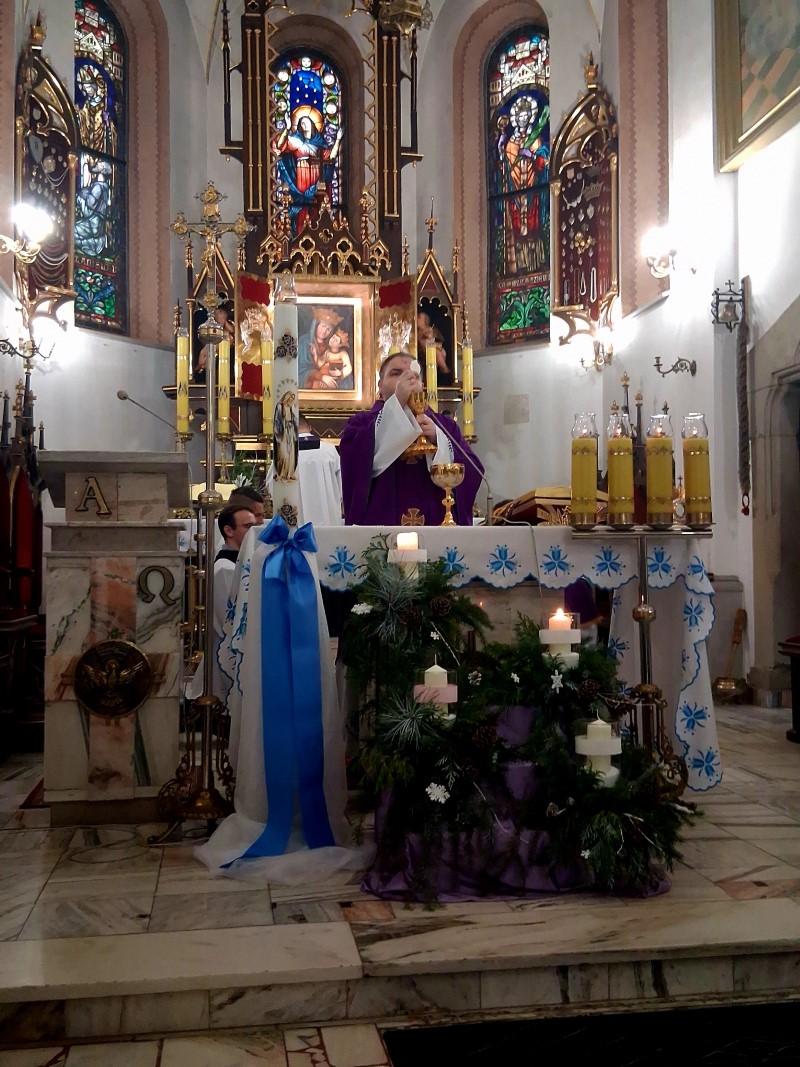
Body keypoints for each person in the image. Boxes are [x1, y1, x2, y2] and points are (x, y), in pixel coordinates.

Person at [339, 351, 483, 526]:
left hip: (436, 525)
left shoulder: (444, 426)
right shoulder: (360, 424)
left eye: (414, 375)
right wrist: (397, 403)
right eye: (396, 374)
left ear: (422, 385)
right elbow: (354, 467)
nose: (406, 379)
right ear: (380, 385)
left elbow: (472, 470)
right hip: (382, 527)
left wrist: (438, 439)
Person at [273, 107, 344, 235]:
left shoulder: (319, 144)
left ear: (313, 125)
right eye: (301, 123)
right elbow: (279, 146)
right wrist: (287, 128)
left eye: (307, 122)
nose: (304, 125)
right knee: (302, 206)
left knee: (316, 205)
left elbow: (331, 157)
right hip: (301, 176)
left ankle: (318, 233)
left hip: (316, 176)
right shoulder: (295, 140)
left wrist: (338, 139)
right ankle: (299, 234)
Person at [266, 416, 343, 527]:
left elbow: (273, 487)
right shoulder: (329, 450)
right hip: (328, 519)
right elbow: (342, 483)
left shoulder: (284, 455)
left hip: (296, 524)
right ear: (310, 428)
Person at [299, 307, 341, 388]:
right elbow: (300, 369)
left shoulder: (331, 345)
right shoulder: (304, 342)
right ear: (316, 325)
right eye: (323, 326)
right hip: (309, 383)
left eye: (328, 329)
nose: (325, 331)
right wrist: (321, 377)